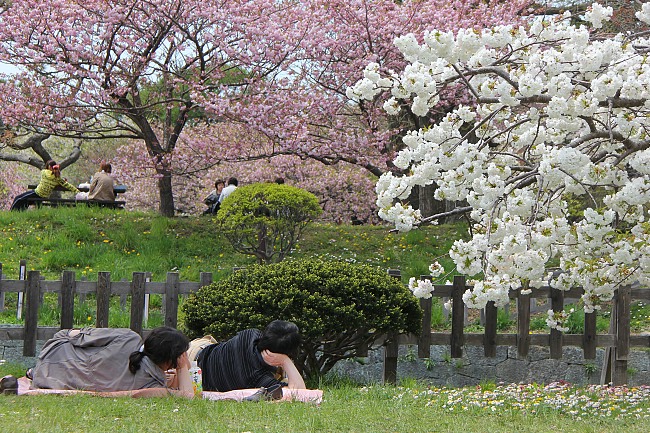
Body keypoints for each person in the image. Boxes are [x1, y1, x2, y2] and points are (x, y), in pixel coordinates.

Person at [29, 326, 194, 398]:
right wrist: (183, 368)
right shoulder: (152, 385)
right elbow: (186, 395)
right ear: (171, 360)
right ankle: (33, 371)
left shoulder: (129, 338)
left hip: (55, 353)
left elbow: (79, 336)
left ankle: (33, 370)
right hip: (49, 379)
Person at [190, 320, 306, 393]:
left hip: (198, 349)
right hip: (193, 370)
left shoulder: (250, 335)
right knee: (287, 379)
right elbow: (299, 392)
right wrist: (286, 362)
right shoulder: (259, 379)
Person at [10, 160, 80, 211]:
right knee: (25, 201)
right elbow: (68, 185)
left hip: (37, 193)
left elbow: (45, 172)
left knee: (18, 199)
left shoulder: (44, 172)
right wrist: (77, 191)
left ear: (49, 167)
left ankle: (11, 212)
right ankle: (19, 212)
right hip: (43, 195)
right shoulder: (58, 179)